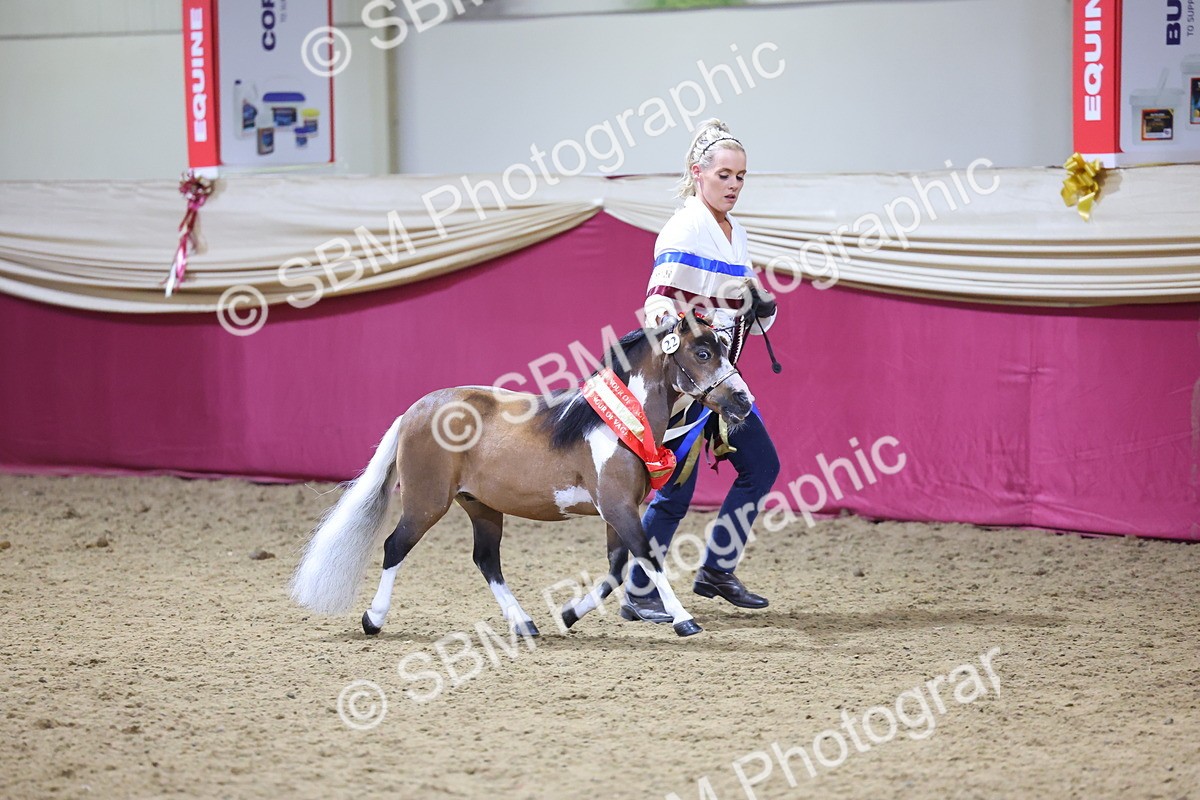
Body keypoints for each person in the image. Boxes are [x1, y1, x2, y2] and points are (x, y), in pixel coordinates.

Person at [622, 118, 781, 623]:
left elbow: (750, 315)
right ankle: (638, 591)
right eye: (724, 175)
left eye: (741, 176)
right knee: (676, 491)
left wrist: (762, 306)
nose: (734, 185)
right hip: (689, 384)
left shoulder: (737, 234)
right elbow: (657, 305)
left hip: (723, 376)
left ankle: (715, 570)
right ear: (698, 173)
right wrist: (687, 342)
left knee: (761, 467)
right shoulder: (685, 228)